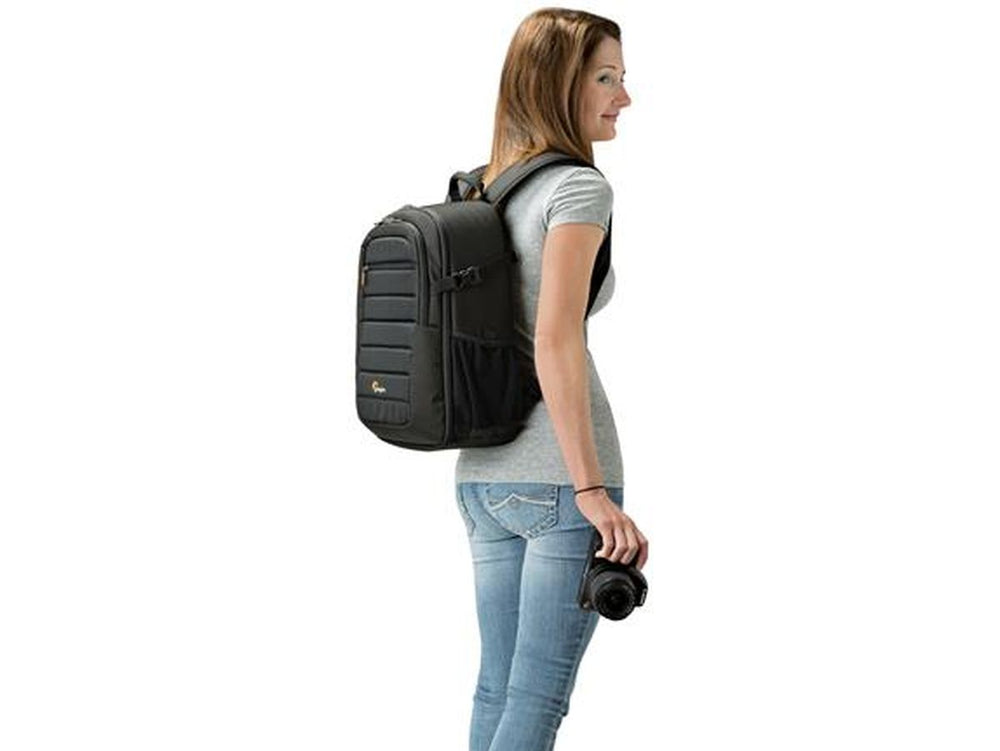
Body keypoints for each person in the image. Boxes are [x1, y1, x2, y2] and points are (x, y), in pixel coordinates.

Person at [453, 8, 648, 751]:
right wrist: (592, 489)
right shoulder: (575, 189)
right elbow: (556, 338)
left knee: (497, 687)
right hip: (561, 482)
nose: (623, 96)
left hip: (483, 476)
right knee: (535, 698)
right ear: (558, 83)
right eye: (605, 78)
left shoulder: (485, 188)